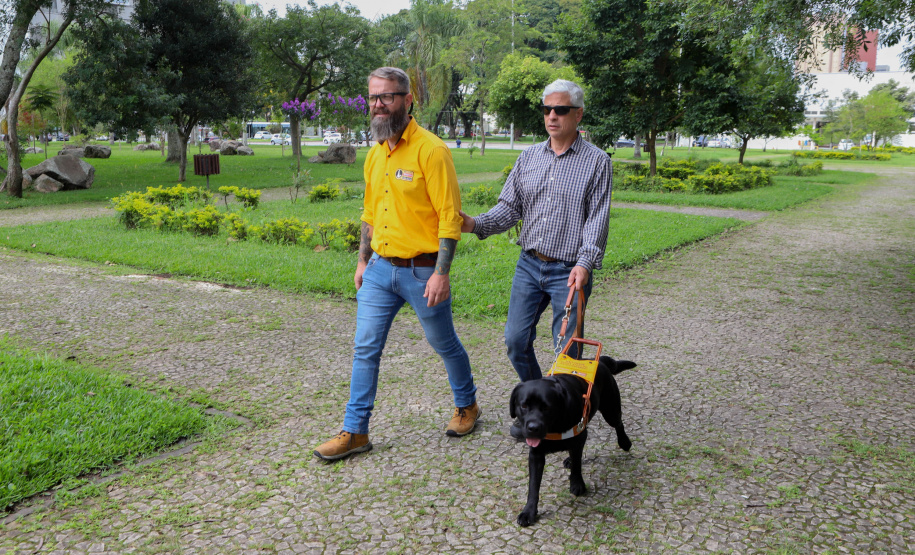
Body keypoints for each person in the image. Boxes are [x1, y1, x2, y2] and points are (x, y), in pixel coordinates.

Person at [314, 67, 480, 461]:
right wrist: (362, 262)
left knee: (444, 343)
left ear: (408, 100)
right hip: (379, 271)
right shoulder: (375, 153)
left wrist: (441, 272)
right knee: (365, 349)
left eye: (386, 97)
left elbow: (449, 217)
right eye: (373, 97)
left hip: (423, 272)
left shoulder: (431, 150)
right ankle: (355, 431)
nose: (377, 105)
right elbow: (370, 214)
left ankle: (467, 404)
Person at [459, 79, 612, 437]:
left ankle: (566, 420)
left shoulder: (597, 162)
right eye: (546, 110)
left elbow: (598, 219)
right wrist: (473, 223)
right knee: (515, 341)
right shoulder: (528, 157)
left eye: (560, 110)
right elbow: (509, 208)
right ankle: (539, 405)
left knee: (567, 354)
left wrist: (585, 264)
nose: (552, 116)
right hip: (530, 264)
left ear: (578, 114)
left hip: (569, 269)